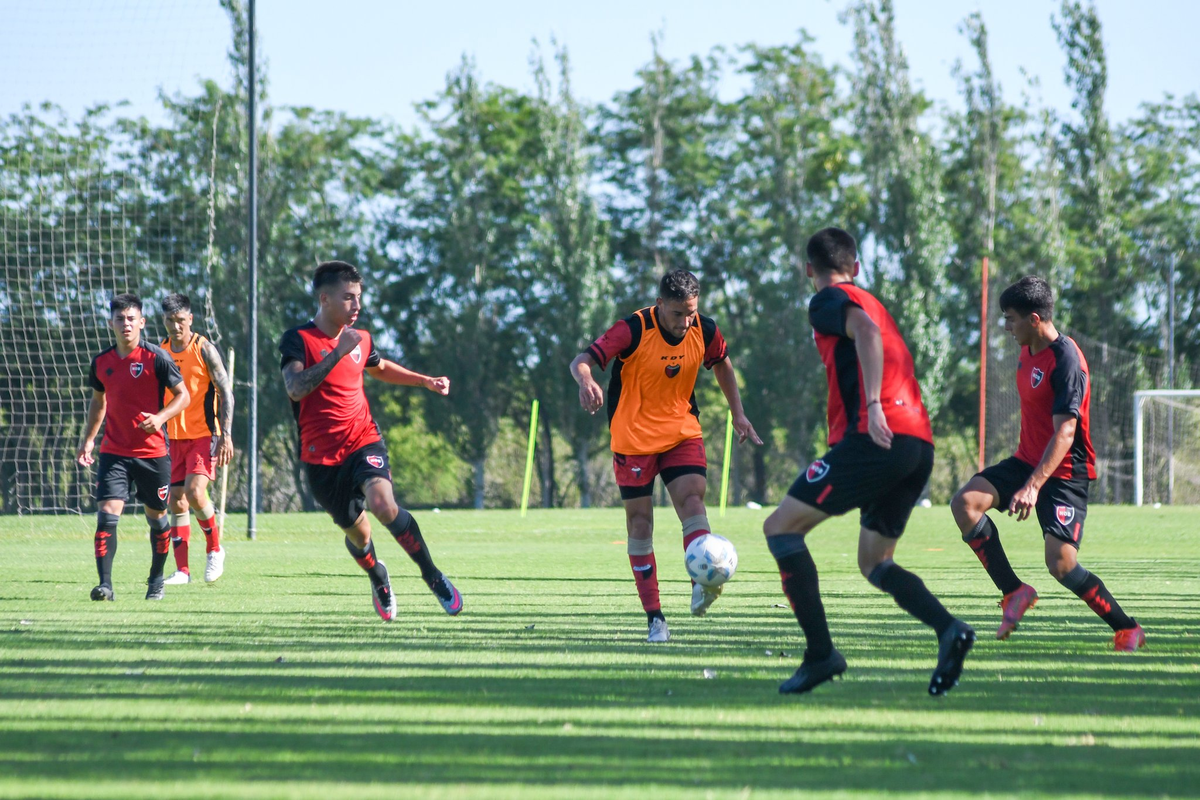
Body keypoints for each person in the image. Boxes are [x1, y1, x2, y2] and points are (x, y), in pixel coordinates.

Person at [763, 227, 974, 696]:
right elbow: (872, 332)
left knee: (780, 528)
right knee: (875, 561)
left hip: (876, 437)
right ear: (856, 267)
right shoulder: (872, 299)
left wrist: (874, 405)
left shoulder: (828, 300)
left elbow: (866, 333)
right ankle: (949, 629)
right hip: (917, 444)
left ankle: (821, 655)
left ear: (808, 269)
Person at [950, 276, 1145, 651]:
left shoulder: (1067, 361)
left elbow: (1066, 433)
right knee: (965, 504)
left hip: (1064, 473)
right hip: (1027, 461)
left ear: (1034, 319)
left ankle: (1128, 629)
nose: (1006, 327)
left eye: (1011, 319)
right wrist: (1027, 476)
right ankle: (1014, 592)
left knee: (1061, 565)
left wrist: (1033, 486)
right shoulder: (1027, 350)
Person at [570, 269, 762, 643]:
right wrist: (586, 380)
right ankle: (655, 618)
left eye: (691, 312)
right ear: (660, 304)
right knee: (640, 525)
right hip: (633, 439)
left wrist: (738, 413)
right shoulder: (633, 329)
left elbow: (722, 362)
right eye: (677, 313)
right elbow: (582, 359)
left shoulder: (704, 329)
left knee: (692, 502)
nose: (685, 322)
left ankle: (701, 581)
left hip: (681, 432)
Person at [279, 260, 461, 621]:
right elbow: (295, 388)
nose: (357, 305)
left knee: (383, 505)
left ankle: (432, 575)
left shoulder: (360, 338)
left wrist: (424, 380)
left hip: (363, 440)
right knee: (360, 537)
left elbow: (379, 368)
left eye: (359, 297)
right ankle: (378, 575)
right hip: (321, 458)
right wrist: (337, 353)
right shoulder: (297, 339)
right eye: (348, 297)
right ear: (324, 299)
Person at [76, 293, 189, 601]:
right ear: (110, 323)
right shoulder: (101, 362)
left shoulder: (157, 358)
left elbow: (184, 396)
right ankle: (105, 586)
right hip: (114, 452)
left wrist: (160, 417)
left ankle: (156, 580)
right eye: (119, 319)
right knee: (106, 515)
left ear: (142, 322)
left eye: (130, 319)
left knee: (157, 518)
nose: (125, 324)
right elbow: (98, 402)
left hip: (153, 454)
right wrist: (89, 440)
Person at [158, 294, 234, 585]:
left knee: (194, 492)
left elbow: (226, 392)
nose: (175, 326)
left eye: (180, 320)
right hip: (172, 437)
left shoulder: (204, 349)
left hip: (204, 434)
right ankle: (182, 571)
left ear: (190, 319)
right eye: (169, 320)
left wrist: (226, 435)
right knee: (176, 501)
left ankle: (215, 550)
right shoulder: (160, 351)